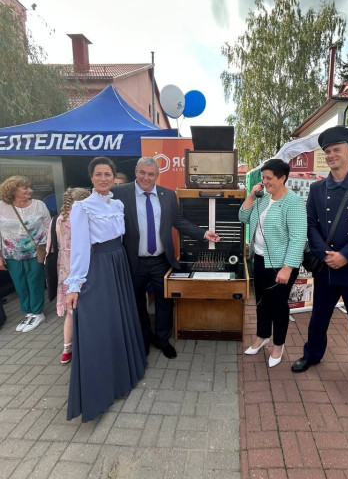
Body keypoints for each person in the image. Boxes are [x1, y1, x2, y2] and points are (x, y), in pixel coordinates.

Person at [291, 126, 348, 400]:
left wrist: (346, 255)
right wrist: (325, 254)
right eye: (328, 151)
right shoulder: (317, 188)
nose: (331, 155)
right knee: (319, 317)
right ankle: (312, 355)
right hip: (327, 268)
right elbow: (311, 224)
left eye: (336, 150)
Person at [112, 157, 220, 359]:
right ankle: (144, 339)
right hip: (133, 261)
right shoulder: (119, 193)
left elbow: (178, 221)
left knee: (165, 301)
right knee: (137, 303)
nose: (146, 177)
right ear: (136, 171)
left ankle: (162, 339)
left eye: (151, 174)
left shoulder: (168, 195)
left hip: (161, 261)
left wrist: (203, 233)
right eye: (142, 172)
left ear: (157, 175)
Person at [65, 157, 147, 422]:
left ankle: (123, 375)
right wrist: (75, 285)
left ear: (114, 177)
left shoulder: (118, 203)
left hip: (119, 262)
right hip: (99, 265)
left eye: (107, 174)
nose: (103, 178)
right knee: (99, 324)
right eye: (98, 174)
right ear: (91, 177)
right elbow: (79, 248)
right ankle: (99, 390)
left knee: (119, 319)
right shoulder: (82, 207)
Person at [239, 159, 307, 368]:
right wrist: (252, 195)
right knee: (261, 302)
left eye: (269, 178)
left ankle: (278, 345)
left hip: (281, 264)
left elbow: (298, 238)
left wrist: (287, 267)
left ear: (282, 178)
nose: (265, 182)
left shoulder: (293, 202)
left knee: (278, 306)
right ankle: (262, 336)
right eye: (263, 178)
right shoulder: (262, 198)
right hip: (260, 259)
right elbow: (243, 217)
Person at [0, 176, 51, 332]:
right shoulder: (1, 206)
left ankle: (37, 312)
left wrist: (50, 249)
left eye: (30, 187)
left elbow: (48, 227)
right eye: (25, 188)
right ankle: (28, 312)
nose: (30, 190)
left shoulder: (39, 205)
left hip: (36, 251)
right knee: (19, 283)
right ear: (12, 190)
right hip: (11, 253)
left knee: (35, 281)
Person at [47, 187, 91, 364]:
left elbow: (50, 246)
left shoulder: (57, 220)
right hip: (84, 265)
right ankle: (87, 345)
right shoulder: (85, 219)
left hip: (64, 268)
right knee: (88, 308)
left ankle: (67, 349)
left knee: (70, 313)